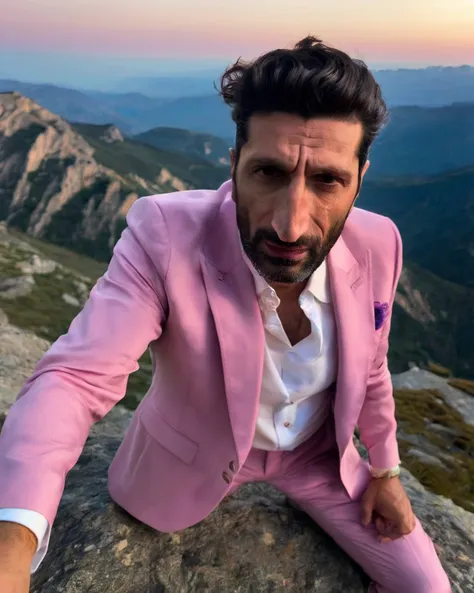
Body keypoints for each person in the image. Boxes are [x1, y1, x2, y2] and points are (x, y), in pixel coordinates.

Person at [0, 36, 451, 592]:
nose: (291, 225)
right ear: (234, 165)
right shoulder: (163, 234)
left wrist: (384, 471)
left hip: (318, 459)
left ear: (361, 178)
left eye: (327, 180)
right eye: (268, 173)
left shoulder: (380, 243)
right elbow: (74, 378)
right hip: (186, 465)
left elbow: (374, 367)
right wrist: (11, 542)